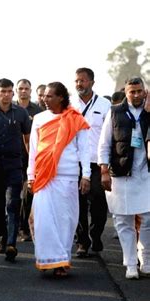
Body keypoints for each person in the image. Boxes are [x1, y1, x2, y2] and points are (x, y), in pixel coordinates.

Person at [28, 82, 90, 277]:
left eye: (49, 96)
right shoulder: (38, 119)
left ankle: (62, 260)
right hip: (44, 177)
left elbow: (85, 150)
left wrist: (86, 175)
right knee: (44, 220)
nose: (44, 99)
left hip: (68, 176)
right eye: (44, 96)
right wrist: (30, 175)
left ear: (61, 97)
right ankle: (49, 259)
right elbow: (33, 150)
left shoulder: (75, 119)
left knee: (66, 220)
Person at [98, 77, 150, 279]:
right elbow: (104, 143)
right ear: (126, 92)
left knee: (147, 218)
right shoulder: (114, 112)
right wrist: (103, 171)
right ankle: (130, 264)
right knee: (123, 219)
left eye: (139, 91)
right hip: (121, 173)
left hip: (145, 173)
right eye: (132, 92)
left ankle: (145, 259)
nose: (136, 95)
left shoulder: (148, 112)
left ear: (145, 91)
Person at [0, 78, 31, 262]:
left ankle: (11, 243)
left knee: (13, 204)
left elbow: (27, 140)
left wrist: (31, 165)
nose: (6, 95)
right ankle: (3, 236)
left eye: (9, 91)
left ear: (13, 93)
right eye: (2, 91)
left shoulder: (21, 113)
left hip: (15, 165)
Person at [71, 68, 111, 257]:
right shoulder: (69, 105)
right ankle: (82, 241)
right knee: (77, 202)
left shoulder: (104, 104)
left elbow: (109, 135)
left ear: (92, 82)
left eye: (83, 81)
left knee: (99, 202)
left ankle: (96, 235)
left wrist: (107, 164)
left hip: (97, 161)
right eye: (77, 81)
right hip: (75, 162)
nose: (79, 84)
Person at [15, 79, 43, 242]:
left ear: (30, 91)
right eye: (20, 88)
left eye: (26, 88)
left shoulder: (38, 111)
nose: (23, 91)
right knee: (12, 197)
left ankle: (24, 227)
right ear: (16, 91)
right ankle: (13, 225)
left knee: (28, 194)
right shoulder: (11, 109)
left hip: (32, 159)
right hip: (12, 158)